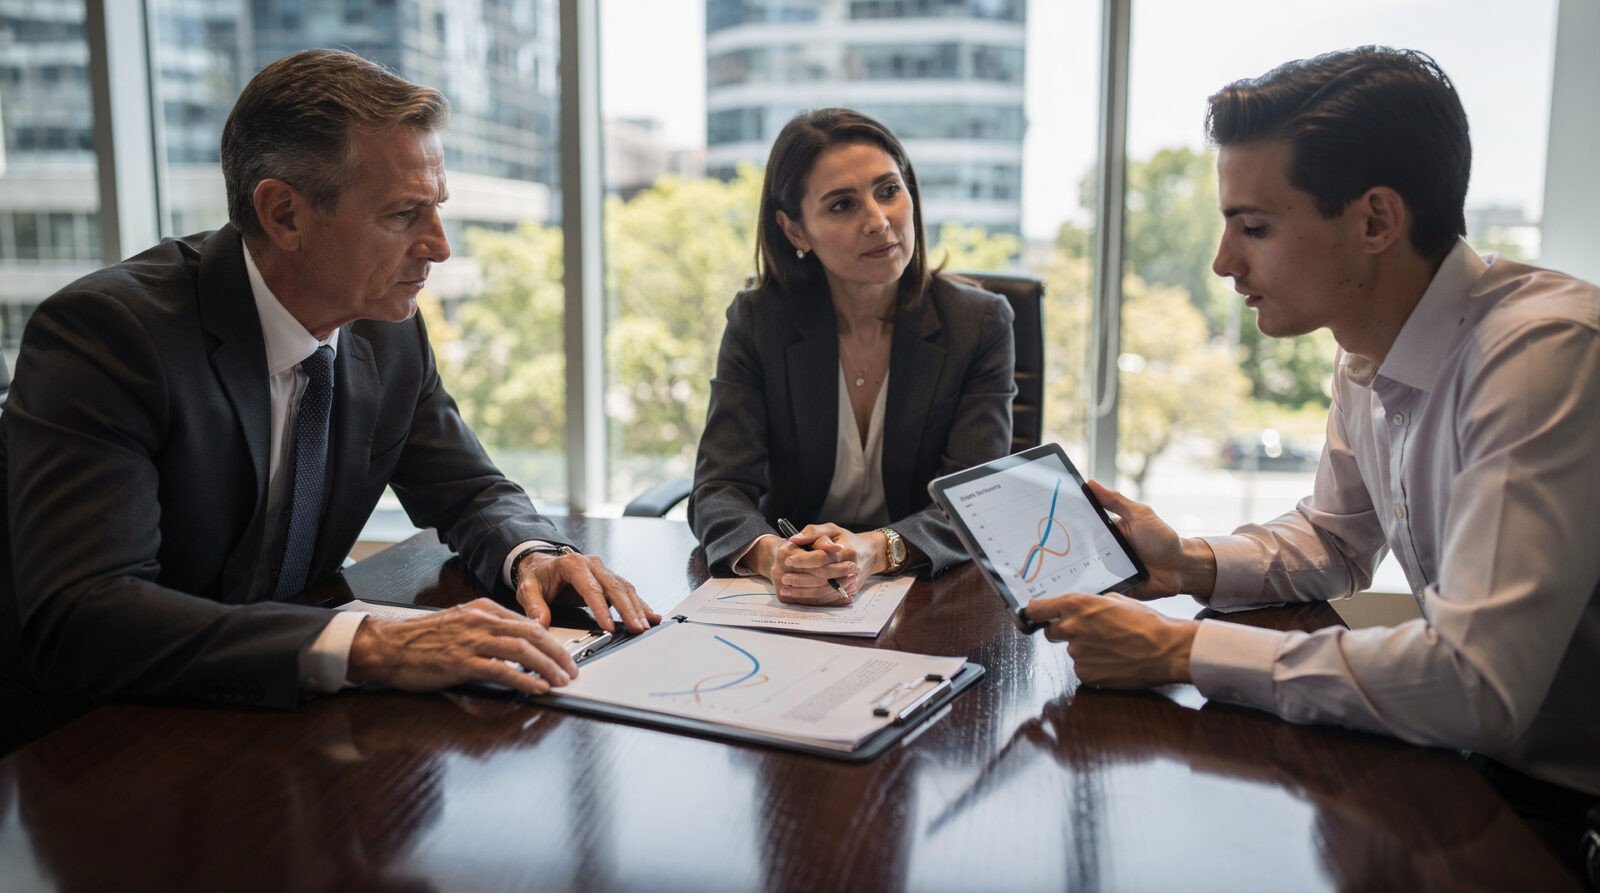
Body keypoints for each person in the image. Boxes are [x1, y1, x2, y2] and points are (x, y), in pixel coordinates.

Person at [1022, 47, 1599, 871]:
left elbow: (1475, 682)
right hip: (1480, 767)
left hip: (1567, 808)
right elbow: (1334, 538)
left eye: (1254, 227)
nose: (1224, 262)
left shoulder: (1542, 356)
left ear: (1375, 222)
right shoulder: (1367, 349)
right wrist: (1184, 562)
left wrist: (1179, 650)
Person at [0, 49, 658, 747]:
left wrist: (530, 554)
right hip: (94, 741)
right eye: (403, 214)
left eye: (436, 209)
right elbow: (85, 616)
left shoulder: (385, 328)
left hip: (281, 721)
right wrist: (370, 644)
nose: (438, 247)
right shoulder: (108, 337)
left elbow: (467, 489)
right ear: (284, 214)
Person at [691, 108, 1016, 604]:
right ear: (795, 231)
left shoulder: (978, 323)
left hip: (932, 594)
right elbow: (719, 488)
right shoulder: (759, 322)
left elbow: (975, 499)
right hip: (792, 592)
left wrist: (874, 550)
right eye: (842, 205)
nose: (879, 221)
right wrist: (773, 556)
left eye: (888, 190)